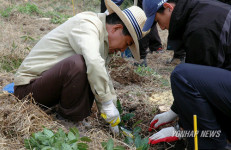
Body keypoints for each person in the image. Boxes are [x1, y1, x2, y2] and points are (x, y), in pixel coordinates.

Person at [13, 0, 147, 134]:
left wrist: (112, 110)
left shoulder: (103, 42)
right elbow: (93, 62)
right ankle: (68, 120)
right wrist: (106, 104)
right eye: (127, 43)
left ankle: (75, 117)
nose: (123, 50)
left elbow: (102, 77)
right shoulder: (88, 24)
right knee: (80, 63)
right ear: (116, 28)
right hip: (28, 91)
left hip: (47, 89)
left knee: (94, 73)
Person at [142, 0, 231, 149]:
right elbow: (204, 81)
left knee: (180, 75)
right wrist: (175, 111)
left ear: (168, 7)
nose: (162, 28)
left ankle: (214, 145)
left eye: (158, 21)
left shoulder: (201, 27)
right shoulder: (202, 12)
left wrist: (182, 129)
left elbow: (198, 82)